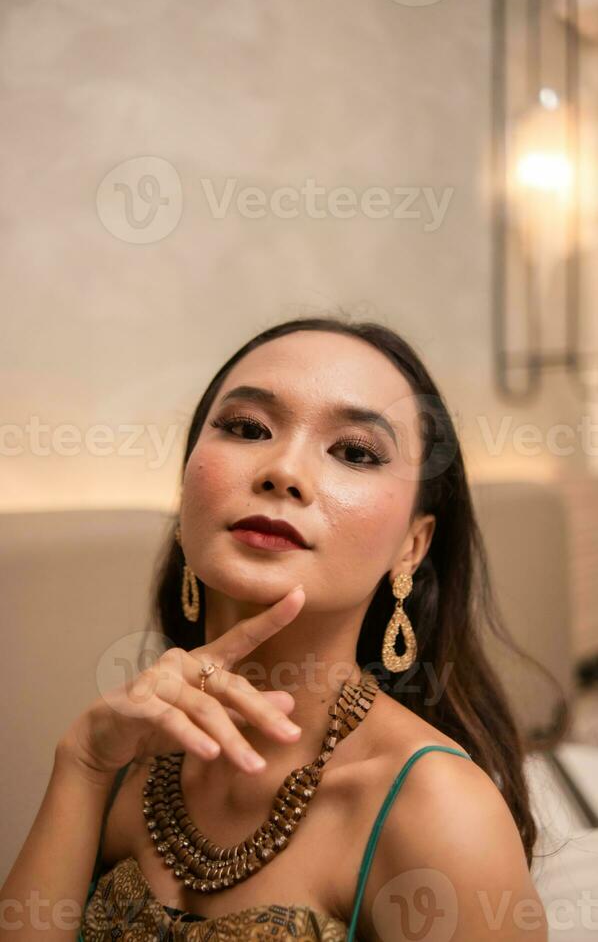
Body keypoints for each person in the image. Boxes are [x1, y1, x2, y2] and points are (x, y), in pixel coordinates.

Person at [1, 316, 553, 942]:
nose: (283, 471)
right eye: (246, 428)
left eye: (354, 452)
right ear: (187, 490)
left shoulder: (436, 808)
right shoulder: (122, 753)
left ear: (412, 545)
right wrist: (83, 762)